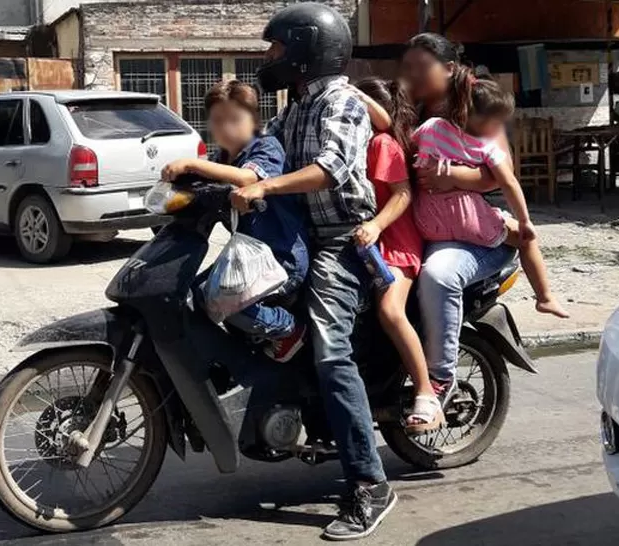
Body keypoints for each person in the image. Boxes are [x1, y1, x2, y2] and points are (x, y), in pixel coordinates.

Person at [230, 4, 396, 540]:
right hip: (299, 240)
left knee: (330, 351)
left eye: (276, 48)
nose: (269, 58)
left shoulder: (341, 102)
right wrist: (210, 174)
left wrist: (265, 187)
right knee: (230, 298)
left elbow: (330, 169)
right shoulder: (295, 105)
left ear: (305, 49)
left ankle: (370, 485)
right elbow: (265, 153)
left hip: (343, 242)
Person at [399, 32, 517, 404]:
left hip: (477, 231)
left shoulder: (477, 105)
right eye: (410, 67)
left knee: (439, 275)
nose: (414, 74)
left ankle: (439, 379)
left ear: (449, 69)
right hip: (429, 225)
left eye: (423, 67)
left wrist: (450, 176)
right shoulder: (413, 109)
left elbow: (499, 173)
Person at [161, 80, 309, 362]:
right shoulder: (223, 158)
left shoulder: (267, 147)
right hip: (245, 259)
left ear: (253, 119)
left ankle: (288, 329)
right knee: (192, 297)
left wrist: (193, 164)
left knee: (227, 302)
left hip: (279, 259)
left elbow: (248, 178)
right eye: (218, 120)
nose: (226, 128)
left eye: (234, 119)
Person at [412, 69, 569, 320]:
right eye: (496, 122)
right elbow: (509, 182)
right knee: (524, 238)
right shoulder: (484, 145)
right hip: (466, 219)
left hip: (426, 221)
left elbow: (408, 148)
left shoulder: (431, 127)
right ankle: (545, 297)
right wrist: (526, 220)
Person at [351, 77, 442, 433]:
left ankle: (425, 393)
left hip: (395, 243)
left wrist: (375, 225)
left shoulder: (382, 143)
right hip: (364, 242)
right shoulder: (352, 143)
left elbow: (401, 194)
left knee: (389, 311)